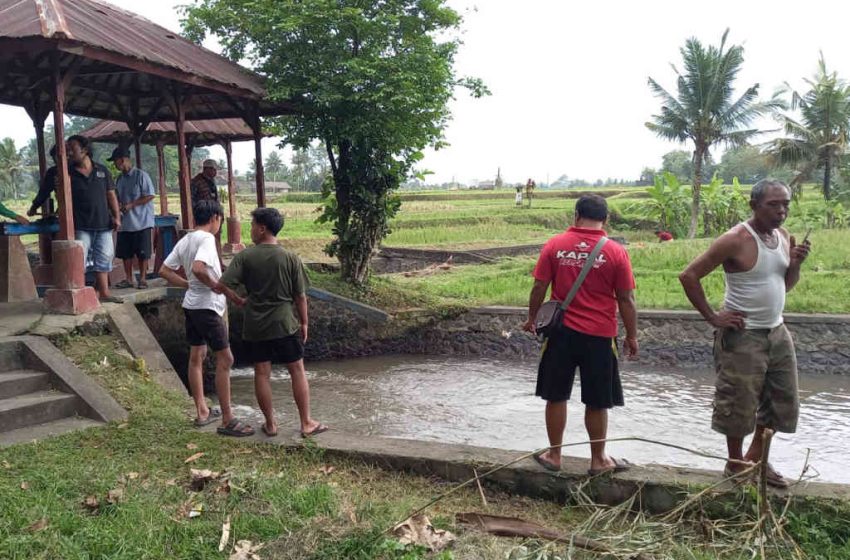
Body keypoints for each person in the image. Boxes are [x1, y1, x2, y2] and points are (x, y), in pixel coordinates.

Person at [679, 179, 810, 489]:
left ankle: (756, 459)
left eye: (786, 204)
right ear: (754, 206)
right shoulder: (735, 239)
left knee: (781, 399)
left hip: (776, 331)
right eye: (773, 205)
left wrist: (795, 264)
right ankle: (735, 464)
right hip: (743, 335)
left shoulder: (783, 237)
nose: (781, 211)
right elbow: (688, 275)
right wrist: (713, 317)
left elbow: (784, 285)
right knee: (738, 403)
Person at [522, 194, 638, 474]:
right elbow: (626, 298)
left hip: (560, 334)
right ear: (605, 219)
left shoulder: (555, 245)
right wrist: (632, 336)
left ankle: (554, 455)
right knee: (597, 400)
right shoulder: (616, 252)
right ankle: (599, 460)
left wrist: (532, 318)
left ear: (575, 215)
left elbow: (539, 287)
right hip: (600, 336)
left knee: (556, 395)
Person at [218, 207, 327, 439]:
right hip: (284, 323)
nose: (250, 230)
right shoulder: (290, 257)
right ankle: (306, 422)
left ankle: (270, 424)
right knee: (297, 370)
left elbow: (222, 284)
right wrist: (304, 322)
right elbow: (300, 296)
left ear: (262, 228)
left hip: (256, 325)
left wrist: (238, 300)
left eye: (252, 225)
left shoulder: (245, 256)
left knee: (261, 373)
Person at [159, 199, 252, 437]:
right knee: (226, 358)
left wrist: (187, 285)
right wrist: (214, 286)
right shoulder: (207, 239)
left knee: (196, 357)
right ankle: (228, 419)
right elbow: (199, 268)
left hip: (191, 305)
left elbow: (164, 270)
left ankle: (202, 410)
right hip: (207, 308)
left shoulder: (187, 239)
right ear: (215, 218)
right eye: (220, 220)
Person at [66, 135, 121, 301]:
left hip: (103, 224)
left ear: (84, 150)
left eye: (72, 148)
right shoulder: (68, 172)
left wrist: (117, 216)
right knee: (79, 260)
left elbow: (111, 195)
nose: (69, 152)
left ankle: (104, 293)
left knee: (104, 258)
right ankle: (81, 295)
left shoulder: (102, 170)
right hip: (81, 224)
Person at [109, 146, 155, 289]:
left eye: (115, 161)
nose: (115, 165)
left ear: (123, 160)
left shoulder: (141, 176)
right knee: (125, 253)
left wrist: (132, 205)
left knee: (143, 253)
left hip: (141, 221)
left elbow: (150, 195)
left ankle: (143, 279)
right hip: (125, 222)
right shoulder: (119, 179)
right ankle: (129, 279)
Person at [27, 145, 58, 217]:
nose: (55, 160)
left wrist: (33, 208)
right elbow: (44, 192)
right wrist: (33, 208)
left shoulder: (54, 171)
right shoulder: (53, 172)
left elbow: (43, 193)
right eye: (54, 158)